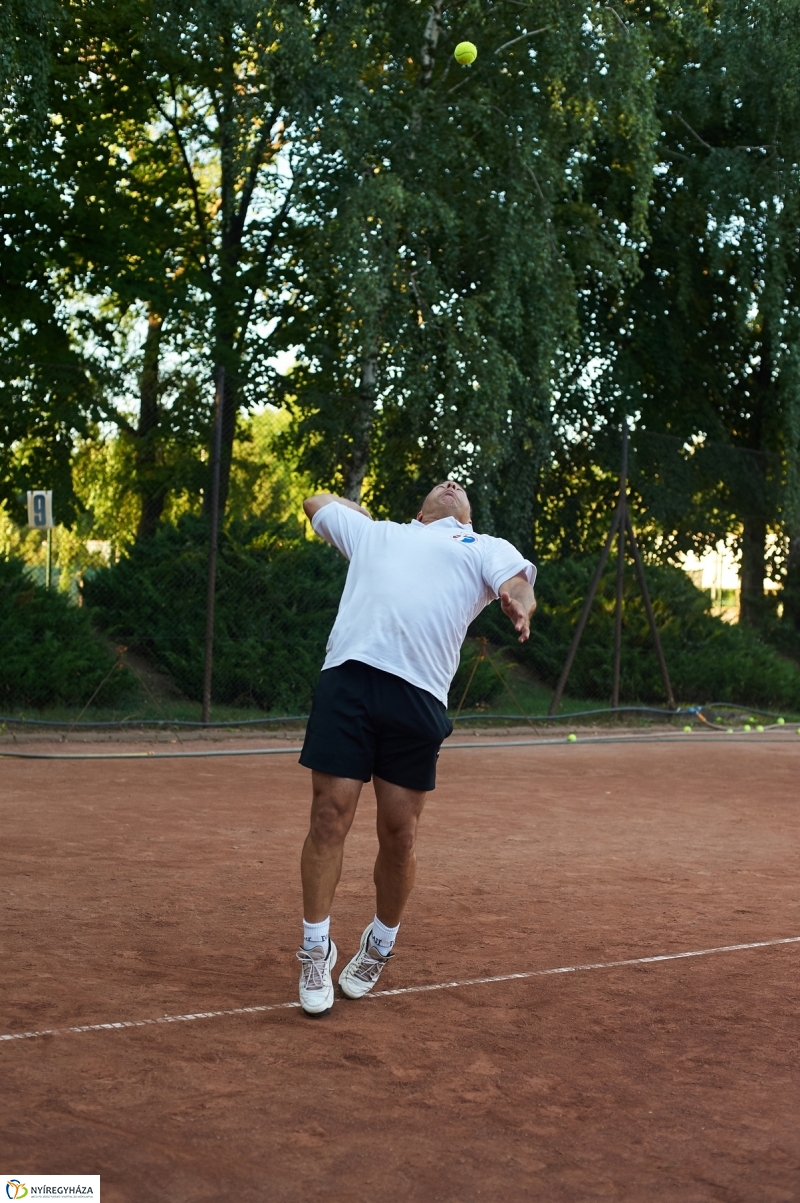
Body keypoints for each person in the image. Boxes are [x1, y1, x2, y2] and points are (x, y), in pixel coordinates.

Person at [296, 479, 536, 1016]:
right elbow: (317, 503)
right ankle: (315, 949)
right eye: (441, 484)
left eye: (461, 488)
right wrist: (378, 521)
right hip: (349, 681)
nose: (451, 483)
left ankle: (379, 943)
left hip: (419, 696)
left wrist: (517, 603)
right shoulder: (374, 533)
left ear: (468, 518)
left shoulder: (482, 547)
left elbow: (519, 582)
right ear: (419, 510)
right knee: (329, 817)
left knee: (399, 835)